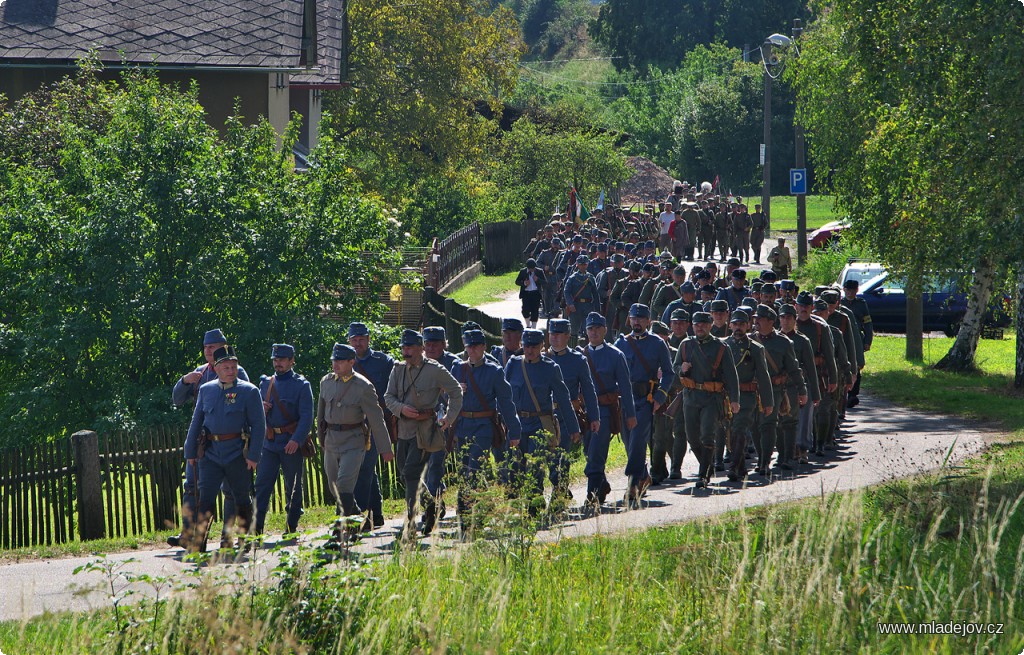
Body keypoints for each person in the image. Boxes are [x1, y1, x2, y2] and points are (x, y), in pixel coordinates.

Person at [168, 328, 249, 550]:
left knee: (230, 491)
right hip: (203, 442)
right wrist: (184, 381)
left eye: (212, 347)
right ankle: (188, 534)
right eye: (205, 347)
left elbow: (246, 404)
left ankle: (227, 537)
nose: (208, 351)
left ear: (223, 347)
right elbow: (177, 400)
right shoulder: (200, 373)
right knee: (192, 487)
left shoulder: (236, 372)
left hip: (229, 441)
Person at [183, 346, 265, 553]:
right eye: (226, 367)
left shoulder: (249, 391)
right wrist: (190, 453)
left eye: (234, 366)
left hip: (237, 453)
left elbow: (259, 425)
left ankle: (244, 542)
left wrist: (254, 456)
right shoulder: (206, 389)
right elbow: (196, 422)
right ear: (216, 368)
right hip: (210, 453)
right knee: (206, 499)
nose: (231, 370)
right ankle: (199, 543)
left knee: (241, 499)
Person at [384, 329, 463, 539]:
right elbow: (388, 397)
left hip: (425, 431)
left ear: (421, 348)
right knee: (406, 473)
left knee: (411, 472)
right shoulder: (398, 369)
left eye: (410, 347)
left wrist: (448, 417)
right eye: (404, 347)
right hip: (403, 429)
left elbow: (456, 392)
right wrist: (400, 409)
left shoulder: (434, 369)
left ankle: (410, 522)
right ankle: (432, 506)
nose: (406, 351)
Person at [318, 343, 395, 545]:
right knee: (334, 486)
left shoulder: (363, 386)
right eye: (334, 361)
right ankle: (357, 517)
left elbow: (376, 419)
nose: (336, 364)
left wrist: (385, 449)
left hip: (354, 440)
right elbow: (321, 414)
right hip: (332, 439)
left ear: (351, 362)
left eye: (340, 361)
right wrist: (321, 439)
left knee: (344, 483)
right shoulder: (326, 382)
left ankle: (339, 530)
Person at [448, 329, 522, 536]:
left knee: (474, 469)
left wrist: (514, 431)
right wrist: (455, 391)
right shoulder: (457, 369)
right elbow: (446, 400)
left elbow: (507, 403)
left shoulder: (494, 371)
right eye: (469, 346)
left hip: (483, 427)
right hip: (462, 426)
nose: (472, 350)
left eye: (476, 346)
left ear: (483, 347)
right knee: (464, 472)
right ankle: (468, 517)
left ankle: (474, 518)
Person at [504, 328, 581, 516]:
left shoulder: (550, 368)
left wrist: (574, 429)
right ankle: (517, 506)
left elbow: (564, 399)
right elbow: (503, 395)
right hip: (517, 423)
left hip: (540, 424)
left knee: (536, 466)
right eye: (527, 346)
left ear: (541, 346)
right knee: (515, 467)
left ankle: (534, 506)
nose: (530, 350)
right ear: (522, 345)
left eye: (534, 346)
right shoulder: (513, 365)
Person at [614, 304, 675, 506]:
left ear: (648, 321)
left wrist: (659, 398)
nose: (637, 322)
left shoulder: (657, 343)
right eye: (634, 318)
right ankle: (643, 475)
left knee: (638, 440)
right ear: (629, 320)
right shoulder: (621, 343)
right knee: (627, 440)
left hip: (645, 400)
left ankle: (632, 484)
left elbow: (669, 373)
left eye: (641, 319)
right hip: (624, 399)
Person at [253, 343, 314, 539]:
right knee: (262, 486)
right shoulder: (265, 383)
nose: (277, 363)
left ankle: (291, 528)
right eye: (275, 360)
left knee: (294, 487)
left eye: (282, 360)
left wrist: (297, 440)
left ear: (291, 361)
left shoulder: (301, 385)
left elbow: (306, 417)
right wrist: (261, 409)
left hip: (290, 443)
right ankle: (256, 531)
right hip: (269, 443)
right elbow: (256, 415)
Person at [676, 312, 740, 490]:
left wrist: (735, 400)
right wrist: (681, 368)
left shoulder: (721, 347)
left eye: (703, 324)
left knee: (707, 435)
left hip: (712, 398)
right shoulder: (685, 345)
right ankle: (708, 464)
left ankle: (703, 474)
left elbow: (731, 375)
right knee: (692, 437)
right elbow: (675, 366)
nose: (700, 327)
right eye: (697, 324)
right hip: (690, 397)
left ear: (710, 325)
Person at [580, 313, 637, 507]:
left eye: (597, 328)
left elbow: (626, 387)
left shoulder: (615, 355)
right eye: (590, 329)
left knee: (596, 451)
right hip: (584, 412)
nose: (594, 332)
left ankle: (593, 493)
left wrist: (630, 415)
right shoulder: (580, 355)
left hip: (605, 411)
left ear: (605, 330)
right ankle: (601, 484)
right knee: (588, 450)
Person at [545, 319, 600, 508]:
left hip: (566, 416)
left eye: (559, 334)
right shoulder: (542, 359)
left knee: (561, 457)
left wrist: (594, 417)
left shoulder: (577, 360)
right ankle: (561, 489)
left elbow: (589, 389)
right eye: (552, 334)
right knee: (549, 459)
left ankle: (559, 495)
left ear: (568, 336)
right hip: (544, 418)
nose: (555, 338)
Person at [750, 305, 807, 475]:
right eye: (755, 319)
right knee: (754, 425)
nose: (756, 322)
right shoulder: (749, 340)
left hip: (776, 390)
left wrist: (802, 390)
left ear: (771, 322)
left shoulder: (783, 343)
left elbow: (794, 369)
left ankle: (778, 459)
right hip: (754, 390)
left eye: (760, 319)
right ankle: (762, 458)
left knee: (774, 424)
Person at [349, 322, 395, 531]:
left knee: (365, 466)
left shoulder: (383, 361)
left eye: (361, 339)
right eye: (354, 340)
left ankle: (362, 517)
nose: (358, 343)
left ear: (368, 339)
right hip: (354, 423)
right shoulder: (345, 361)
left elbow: (395, 387)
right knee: (366, 468)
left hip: (377, 421)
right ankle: (376, 514)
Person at [724, 310, 774, 482]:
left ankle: (732, 467)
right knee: (729, 430)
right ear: (730, 325)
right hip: (726, 396)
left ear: (748, 326)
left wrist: (768, 402)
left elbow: (763, 376)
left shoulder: (755, 348)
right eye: (735, 324)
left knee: (740, 429)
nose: (738, 328)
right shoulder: (723, 345)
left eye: (742, 324)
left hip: (747, 396)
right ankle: (742, 468)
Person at [421, 326, 459, 529]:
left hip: (449, 423)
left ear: (444, 344)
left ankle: (433, 507)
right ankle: (434, 502)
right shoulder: (419, 364)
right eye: (427, 343)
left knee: (436, 465)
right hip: (424, 424)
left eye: (435, 343)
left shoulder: (454, 364)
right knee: (427, 466)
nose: (431, 347)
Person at [840, 279, 873, 408]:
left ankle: (853, 394)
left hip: (856, 338)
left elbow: (868, 323)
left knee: (857, 365)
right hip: (841, 338)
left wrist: (867, 341)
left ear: (857, 291)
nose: (850, 293)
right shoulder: (840, 303)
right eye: (848, 290)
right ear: (844, 290)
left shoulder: (861, 304)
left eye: (853, 291)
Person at [563, 255, 600, 344]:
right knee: (574, 330)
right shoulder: (572, 278)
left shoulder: (591, 277)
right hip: (575, 306)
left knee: (588, 328)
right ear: (577, 265)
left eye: (585, 264)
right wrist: (570, 303)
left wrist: (598, 310)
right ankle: (572, 349)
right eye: (581, 264)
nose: (583, 266)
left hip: (588, 306)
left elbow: (595, 294)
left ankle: (588, 350)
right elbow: (566, 291)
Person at [515, 258, 546, 329]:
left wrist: (538, 279)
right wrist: (524, 283)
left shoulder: (539, 271)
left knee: (535, 310)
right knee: (525, 310)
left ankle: (534, 327)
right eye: (530, 269)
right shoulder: (523, 272)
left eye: (533, 269)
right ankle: (528, 325)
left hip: (535, 293)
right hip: (526, 293)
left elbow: (545, 283)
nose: (531, 270)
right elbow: (517, 282)